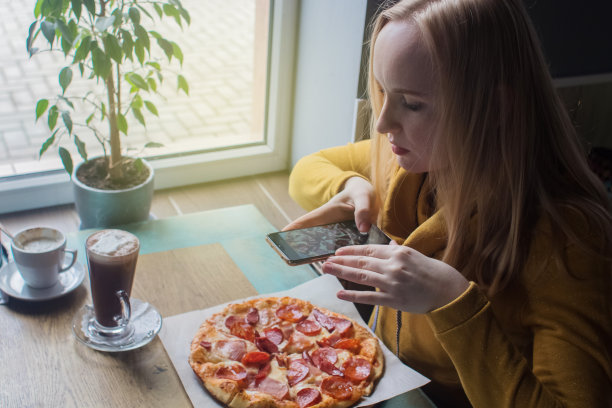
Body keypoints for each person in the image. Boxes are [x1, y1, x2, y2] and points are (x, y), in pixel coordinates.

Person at [285, 0, 612, 407]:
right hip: (386, 377)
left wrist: (452, 301)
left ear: (496, 109)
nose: (384, 122)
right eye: (383, 90)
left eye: (413, 103)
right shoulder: (411, 159)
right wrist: (351, 185)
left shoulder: (570, 242)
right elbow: (306, 170)